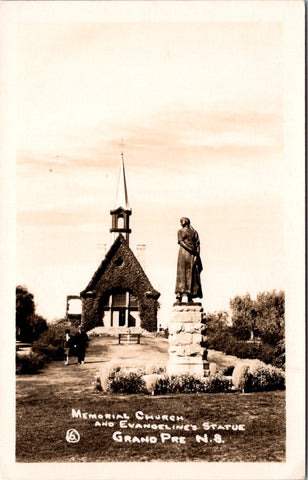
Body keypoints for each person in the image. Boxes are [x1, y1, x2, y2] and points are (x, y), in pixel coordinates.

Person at [175, 217, 203, 303]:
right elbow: (181, 242)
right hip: (183, 254)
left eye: (182, 220)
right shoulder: (180, 231)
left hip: (192, 255)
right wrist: (191, 249)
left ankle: (190, 294)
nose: (180, 222)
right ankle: (179, 295)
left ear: (186, 221)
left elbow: (197, 244)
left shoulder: (194, 232)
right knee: (181, 273)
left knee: (191, 273)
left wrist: (196, 256)